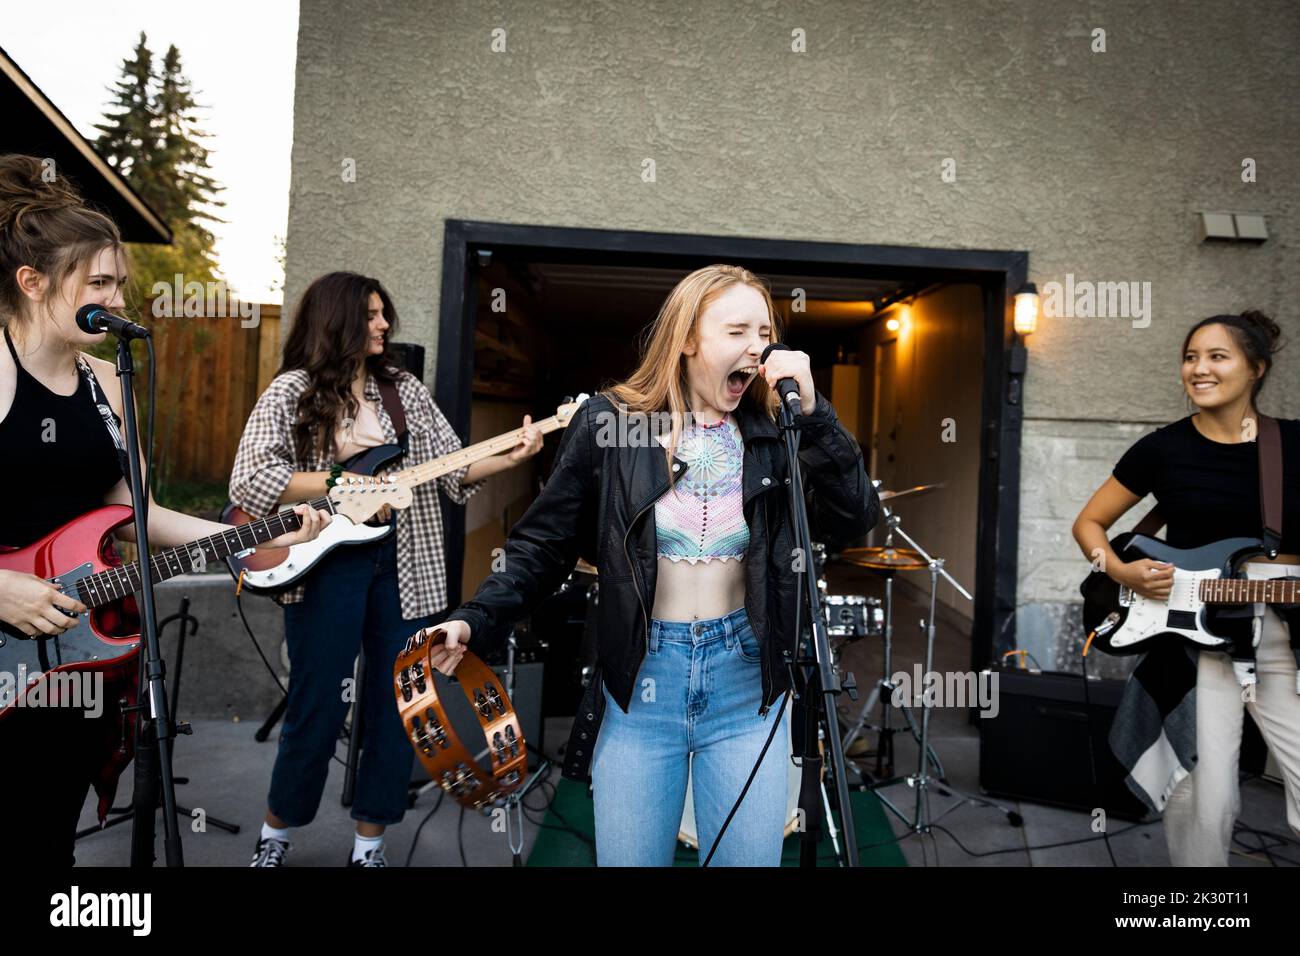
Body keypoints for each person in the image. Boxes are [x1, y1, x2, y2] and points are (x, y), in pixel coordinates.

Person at [438, 263, 878, 866]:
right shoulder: (609, 422)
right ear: (689, 337)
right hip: (644, 683)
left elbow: (855, 518)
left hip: (747, 684)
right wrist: (474, 619)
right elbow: (542, 544)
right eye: (737, 331)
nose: (758, 347)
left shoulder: (778, 433)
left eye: (765, 332)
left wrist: (817, 415)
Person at [0, 153, 328, 865]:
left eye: (120, 283)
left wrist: (258, 537)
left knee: (45, 841)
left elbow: (133, 511)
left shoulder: (105, 381)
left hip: (68, 659)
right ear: (31, 282)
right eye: (98, 283)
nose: (118, 300)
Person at [230, 270, 543, 866]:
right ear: (338, 320)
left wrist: (511, 453)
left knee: (399, 707)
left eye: (383, 314)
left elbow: (451, 470)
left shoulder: (401, 390)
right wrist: (344, 482)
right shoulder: (292, 390)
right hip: (325, 565)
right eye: (371, 315)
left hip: (406, 563)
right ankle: (275, 836)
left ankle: (368, 847)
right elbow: (251, 478)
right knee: (316, 706)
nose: (383, 325)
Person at [1073, 310, 1300, 865]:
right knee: (1206, 795)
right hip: (1200, 650)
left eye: (1217, 356)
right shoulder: (1163, 449)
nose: (1199, 369)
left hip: (1284, 640)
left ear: (1256, 369)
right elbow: (1089, 525)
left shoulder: (1291, 445)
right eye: (1191, 357)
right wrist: (1123, 572)